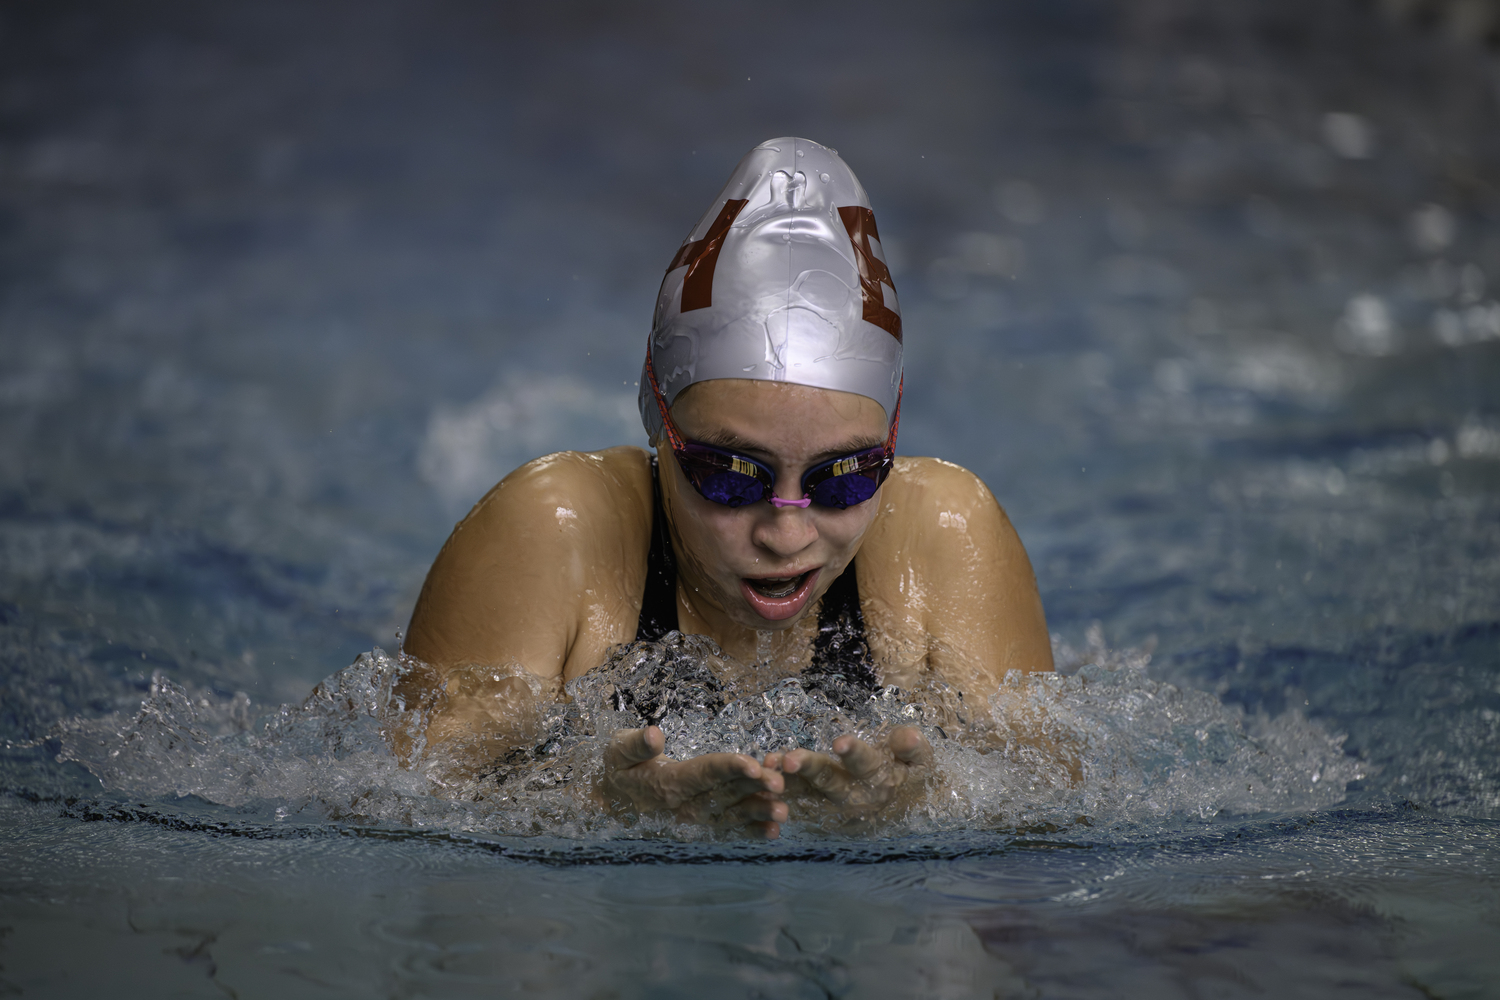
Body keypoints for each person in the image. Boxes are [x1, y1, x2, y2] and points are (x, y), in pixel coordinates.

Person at [402, 138, 1053, 838]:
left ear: (892, 439)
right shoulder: (553, 529)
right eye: (732, 476)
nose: (787, 534)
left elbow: (1059, 812)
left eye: (845, 478)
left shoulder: (945, 535)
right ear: (659, 417)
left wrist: (922, 806)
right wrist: (589, 808)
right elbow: (393, 808)